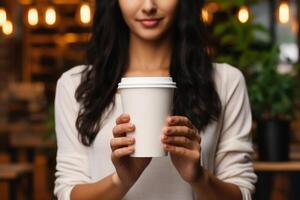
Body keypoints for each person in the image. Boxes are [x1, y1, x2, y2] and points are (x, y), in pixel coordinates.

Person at [54, 0, 257, 199]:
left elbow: (242, 191)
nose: (149, 6)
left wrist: (199, 176)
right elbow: (69, 192)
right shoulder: (75, 85)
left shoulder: (225, 82)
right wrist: (121, 180)